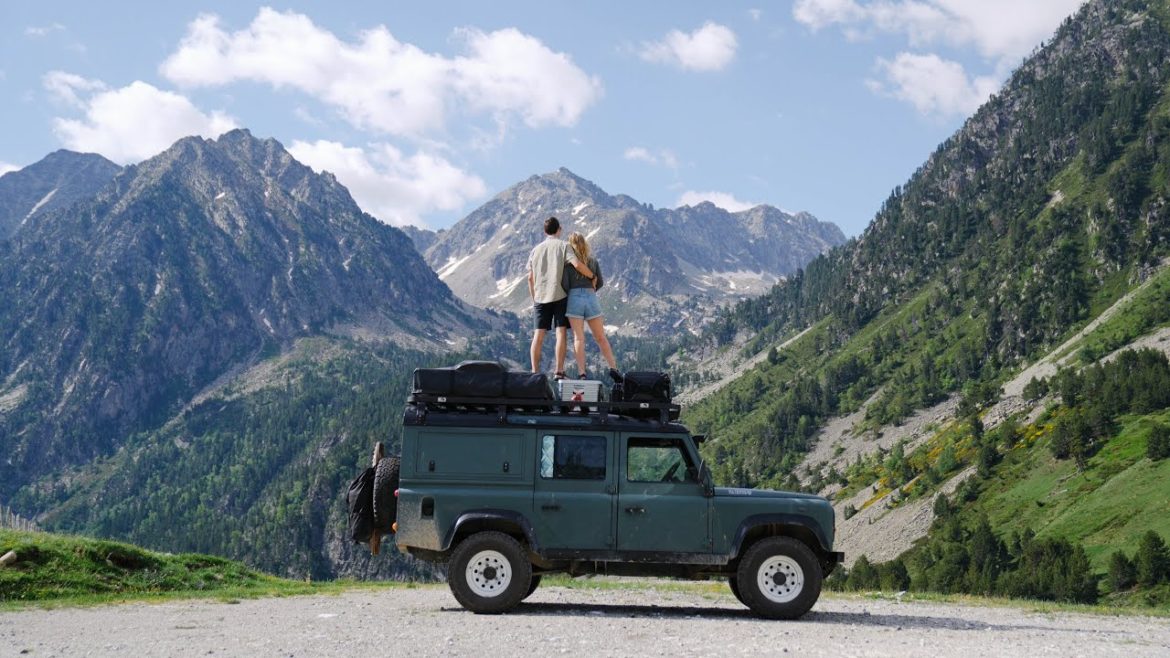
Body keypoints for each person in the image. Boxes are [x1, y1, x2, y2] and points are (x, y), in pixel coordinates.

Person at [527, 217, 594, 378]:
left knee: (538, 335)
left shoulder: (535, 250)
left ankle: (534, 372)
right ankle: (559, 370)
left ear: (545, 231)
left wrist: (534, 298)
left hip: (540, 296)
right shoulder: (564, 246)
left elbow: (530, 277)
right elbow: (577, 264)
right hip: (559, 295)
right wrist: (592, 275)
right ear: (559, 229)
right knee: (560, 333)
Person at [563, 232, 620, 381]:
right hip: (591, 297)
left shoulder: (568, 265)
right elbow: (600, 282)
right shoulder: (592, 261)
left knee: (579, 338)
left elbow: (565, 285)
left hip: (574, 298)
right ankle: (613, 368)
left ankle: (582, 373)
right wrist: (591, 289)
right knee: (601, 337)